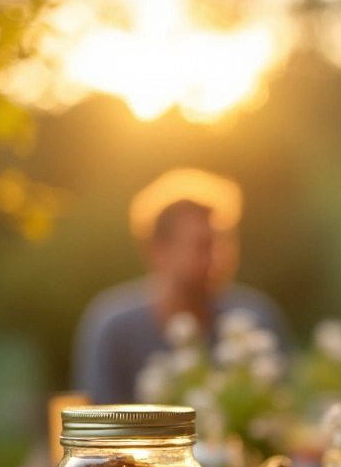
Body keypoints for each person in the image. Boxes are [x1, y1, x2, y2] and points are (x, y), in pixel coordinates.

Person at [73, 169, 292, 404]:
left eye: (224, 244)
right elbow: (97, 427)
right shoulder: (114, 328)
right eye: (202, 246)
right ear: (158, 251)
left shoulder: (256, 318)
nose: (217, 259)